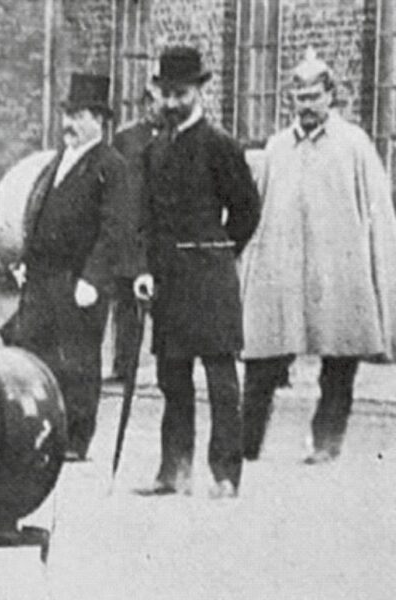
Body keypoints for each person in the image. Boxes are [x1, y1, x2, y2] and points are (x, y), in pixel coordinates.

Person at [240, 48, 396, 464]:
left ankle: (325, 444)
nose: (306, 105)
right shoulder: (276, 149)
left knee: (339, 364)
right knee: (262, 362)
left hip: (337, 275)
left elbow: (378, 212)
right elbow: (256, 213)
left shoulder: (354, 145)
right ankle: (246, 445)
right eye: (299, 97)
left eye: (314, 96)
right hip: (284, 274)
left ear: (330, 97)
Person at [133, 47, 260, 498]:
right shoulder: (154, 151)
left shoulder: (221, 146)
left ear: (199, 91)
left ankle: (225, 474)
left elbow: (247, 209)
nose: (170, 103)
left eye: (180, 94)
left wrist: (219, 252)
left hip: (210, 279)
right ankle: (175, 469)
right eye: (165, 94)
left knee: (221, 380)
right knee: (172, 377)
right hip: (168, 281)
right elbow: (145, 219)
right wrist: (146, 269)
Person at [1, 73, 132, 462]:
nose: (69, 124)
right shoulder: (59, 160)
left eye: (79, 115)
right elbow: (39, 212)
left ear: (100, 121)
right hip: (42, 279)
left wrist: (94, 278)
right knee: (32, 354)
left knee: (77, 361)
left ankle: (76, 438)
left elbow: (115, 229)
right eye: (67, 114)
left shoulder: (111, 165)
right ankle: (35, 432)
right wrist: (24, 262)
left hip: (79, 283)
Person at [108, 88, 160, 382]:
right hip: (130, 231)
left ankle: (170, 364)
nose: (155, 107)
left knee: (164, 306)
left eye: (158, 100)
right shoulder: (126, 138)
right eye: (149, 101)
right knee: (126, 302)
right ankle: (124, 364)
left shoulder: (176, 136)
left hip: (160, 232)